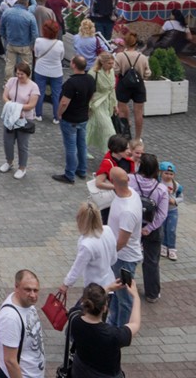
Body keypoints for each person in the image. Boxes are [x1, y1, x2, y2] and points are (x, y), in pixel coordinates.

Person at [70, 281, 138, 378]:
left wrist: (108, 289)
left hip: (80, 371)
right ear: (105, 308)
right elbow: (135, 323)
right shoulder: (112, 335)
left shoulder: (74, 319)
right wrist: (135, 296)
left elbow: (79, 307)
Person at [56, 203, 117, 308]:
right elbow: (113, 259)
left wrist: (66, 284)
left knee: (80, 316)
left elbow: (77, 268)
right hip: (109, 283)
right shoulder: (108, 230)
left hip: (93, 291)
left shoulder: (87, 244)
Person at [104, 167, 143, 328]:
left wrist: (109, 256)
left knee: (124, 299)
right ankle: (113, 322)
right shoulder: (131, 193)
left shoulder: (127, 211)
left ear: (113, 182)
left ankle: (121, 330)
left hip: (123, 258)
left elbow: (122, 241)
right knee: (117, 294)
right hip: (121, 257)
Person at [0, 271, 46, 378]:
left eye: (35, 290)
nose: (33, 295)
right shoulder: (10, 318)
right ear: (16, 287)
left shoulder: (27, 303)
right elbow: (10, 361)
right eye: (27, 290)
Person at [132, 153, 170, 301]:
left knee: (127, 257)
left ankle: (123, 287)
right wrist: (149, 228)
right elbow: (162, 214)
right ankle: (152, 294)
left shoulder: (131, 181)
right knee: (152, 261)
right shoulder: (161, 189)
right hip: (152, 229)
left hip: (133, 225)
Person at [0, 63, 38, 179]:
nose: (19, 76)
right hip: (11, 118)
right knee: (8, 142)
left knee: (22, 145)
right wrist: (12, 106)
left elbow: (31, 105)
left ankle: (22, 167)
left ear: (27, 74)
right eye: (17, 73)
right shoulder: (12, 81)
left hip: (24, 119)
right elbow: (5, 96)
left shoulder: (33, 86)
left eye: (22, 74)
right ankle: (9, 161)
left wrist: (17, 107)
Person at [112, 37, 150, 138]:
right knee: (139, 112)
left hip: (123, 84)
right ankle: (138, 137)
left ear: (126, 44)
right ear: (136, 44)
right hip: (139, 85)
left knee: (122, 109)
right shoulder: (142, 57)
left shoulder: (120, 56)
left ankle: (124, 135)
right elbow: (147, 73)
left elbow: (115, 70)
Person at [32, 19, 66, 122]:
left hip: (41, 69)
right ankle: (56, 117)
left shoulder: (38, 41)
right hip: (56, 71)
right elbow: (61, 57)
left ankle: (38, 114)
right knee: (56, 94)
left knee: (39, 92)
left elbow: (37, 54)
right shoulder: (59, 43)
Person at [0, 0, 37, 78]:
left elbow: (1, 28)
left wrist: (6, 38)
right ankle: (26, 83)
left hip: (11, 43)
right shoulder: (29, 16)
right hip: (25, 45)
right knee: (26, 66)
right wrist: (32, 44)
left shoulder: (7, 12)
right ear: (27, 3)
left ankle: (8, 83)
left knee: (9, 64)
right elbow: (35, 33)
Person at [86, 53, 116, 157]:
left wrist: (115, 104)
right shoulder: (93, 73)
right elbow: (88, 91)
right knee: (109, 129)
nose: (111, 65)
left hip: (107, 102)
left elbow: (112, 89)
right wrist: (87, 105)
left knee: (90, 126)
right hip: (96, 104)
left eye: (113, 63)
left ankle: (82, 147)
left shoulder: (111, 71)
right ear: (102, 62)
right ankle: (110, 153)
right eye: (109, 63)